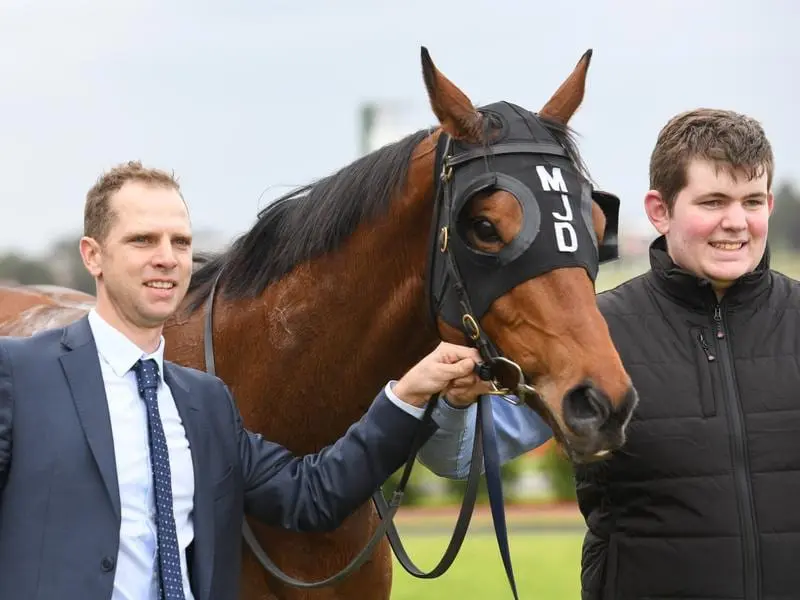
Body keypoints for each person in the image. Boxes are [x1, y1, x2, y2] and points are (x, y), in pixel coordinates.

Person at [0, 161, 492, 600]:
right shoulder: (19, 375)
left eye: (181, 242)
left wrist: (408, 394)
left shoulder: (205, 402)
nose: (167, 258)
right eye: (142, 240)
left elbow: (313, 494)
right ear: (93, 256)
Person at [416, 108, 800, 599]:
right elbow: (460, 456)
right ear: (659, 210)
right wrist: (452, 404)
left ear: (769, 204)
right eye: (713, 201)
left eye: (751, 201)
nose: (736, 222)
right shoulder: (595, 331)